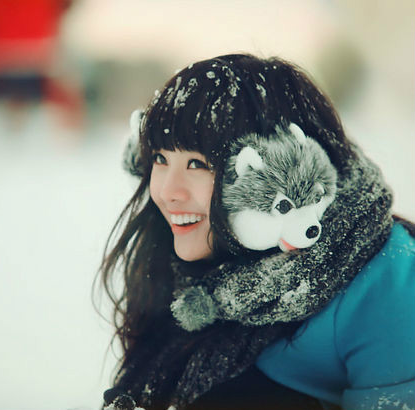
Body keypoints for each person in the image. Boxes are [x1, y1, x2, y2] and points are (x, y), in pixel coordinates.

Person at [97, 54, 415, 410]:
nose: (169, 191)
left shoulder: (387, 285)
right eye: (160, 158)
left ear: (287, 169)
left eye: (197, 164)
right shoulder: (186, 264)